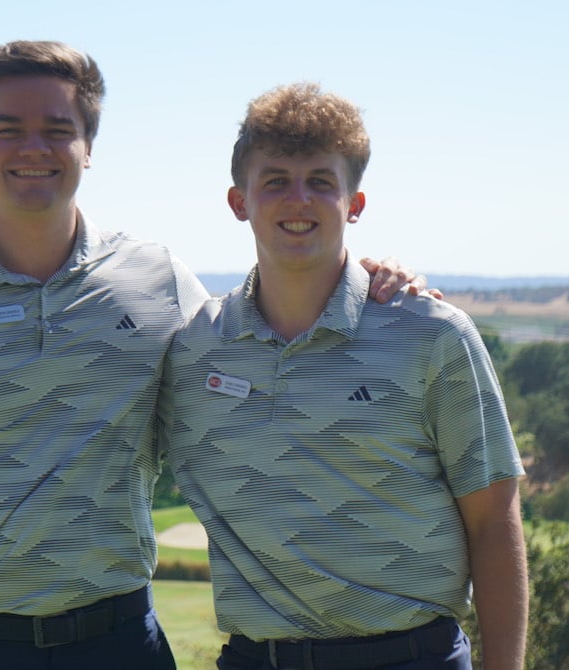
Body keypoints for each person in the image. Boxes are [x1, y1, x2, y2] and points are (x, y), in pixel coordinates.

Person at [0, 41, 422, 669]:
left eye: (58, 130)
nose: (33, 148)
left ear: (89, 146)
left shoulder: (155, 279)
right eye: (7, 129)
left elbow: (262, 343)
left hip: (118, 640)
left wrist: (366, 274)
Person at [155, 84, 528, 669]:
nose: (298, 200)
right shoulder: (196, 347)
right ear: (238, 201)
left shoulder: (433, 335)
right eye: (275, 180)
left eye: (321, 182)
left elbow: (493, 521)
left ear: (355, 203)